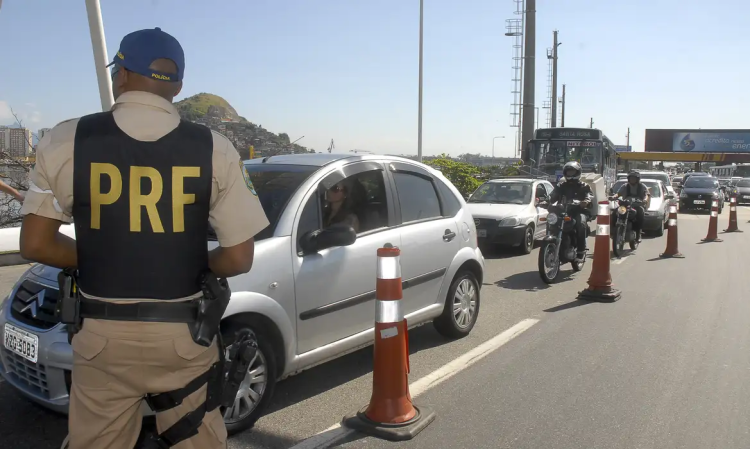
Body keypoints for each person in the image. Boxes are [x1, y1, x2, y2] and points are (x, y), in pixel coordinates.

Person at [19, 28, 269, 449]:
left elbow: (36, 244)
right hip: (185, 336)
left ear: (121, 75)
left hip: (101, 338)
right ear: (179, 86)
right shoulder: (216, 149)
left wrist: (103, 255)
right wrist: (191, 263)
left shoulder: (65, 139)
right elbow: (239, 257)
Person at [549, 161, 593, 259]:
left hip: (579, 211)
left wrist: (586, 201)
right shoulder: (561, 185)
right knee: (552, 221)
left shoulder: (584, 186)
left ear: (578, 172)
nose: (570, 174)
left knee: (581, 224)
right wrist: (546, 201)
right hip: (563, 211)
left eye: (572, 172)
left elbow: (589, 196)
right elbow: (553, 195)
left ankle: (581, 250)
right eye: (568, 172)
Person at [616, 170, 650, 242]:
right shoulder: (625, 186)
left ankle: (638, 234)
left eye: (634, 178)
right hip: (626, 205)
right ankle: (615, 230)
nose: (632, 179)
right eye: (631, 178)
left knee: (640, 212)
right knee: (615, 212)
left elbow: (647, 194)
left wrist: (645, 200)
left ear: (637, 179)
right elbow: (618, 194)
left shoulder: (642, 186)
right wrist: (613, 197)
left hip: (638, 204)